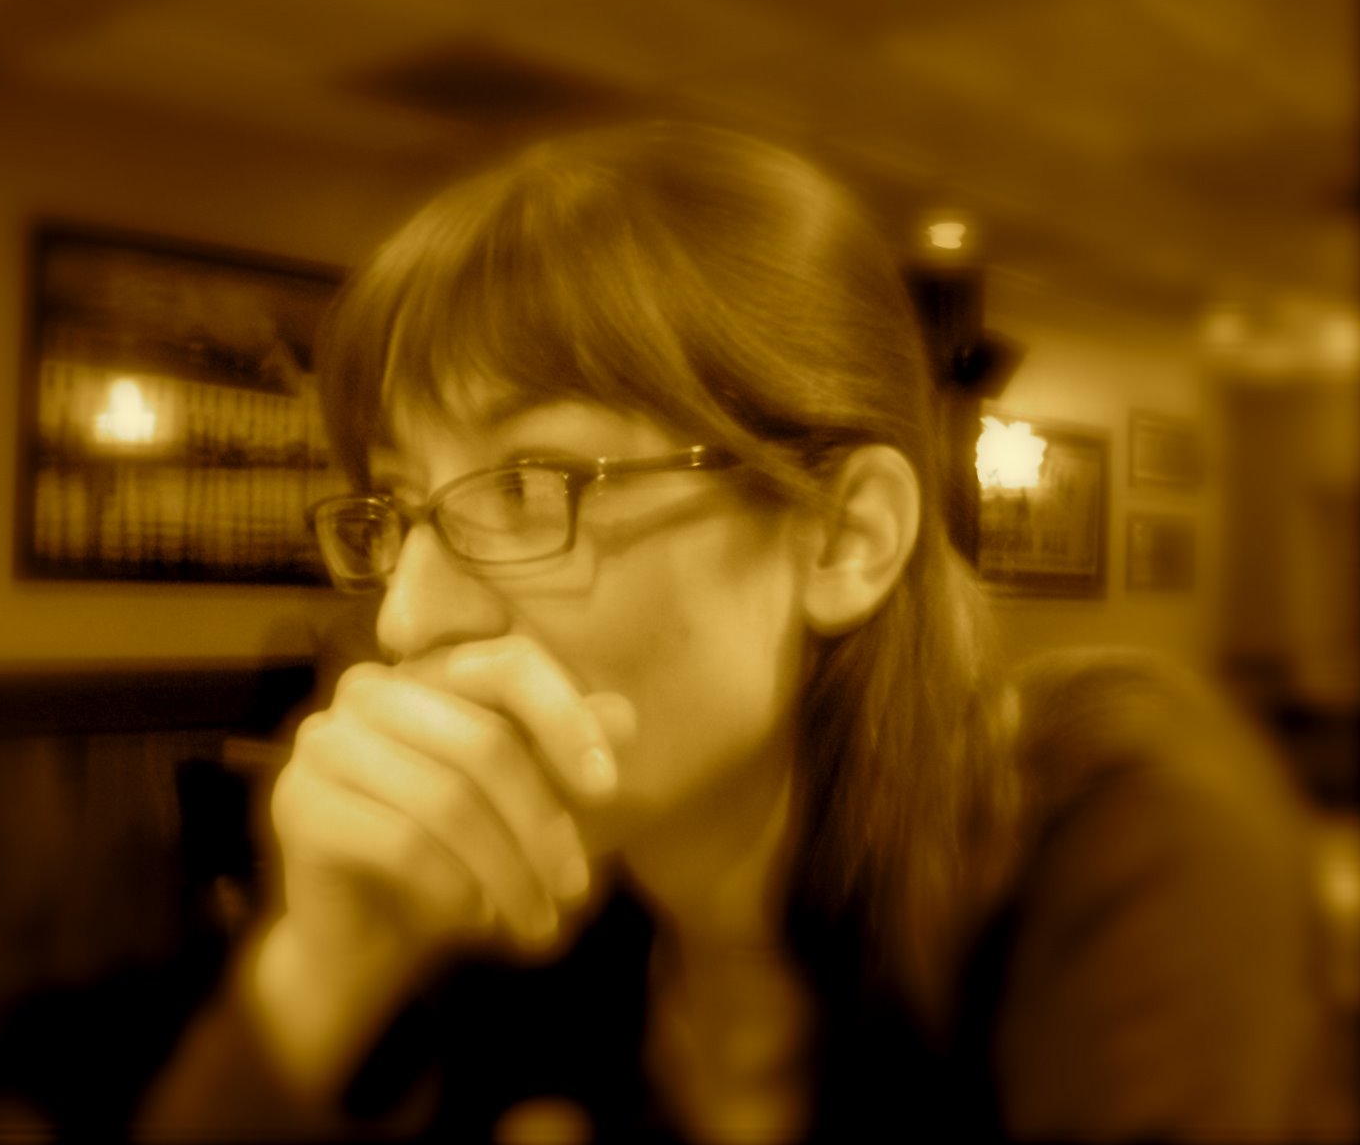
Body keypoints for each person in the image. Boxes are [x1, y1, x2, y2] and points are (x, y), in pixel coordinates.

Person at [140, 122, 1353, 1143]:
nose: (408, 617)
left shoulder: (1119, 826)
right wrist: (326, 964)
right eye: (400, 506)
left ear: (842, 539)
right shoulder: (536, 928)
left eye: (527, 485)